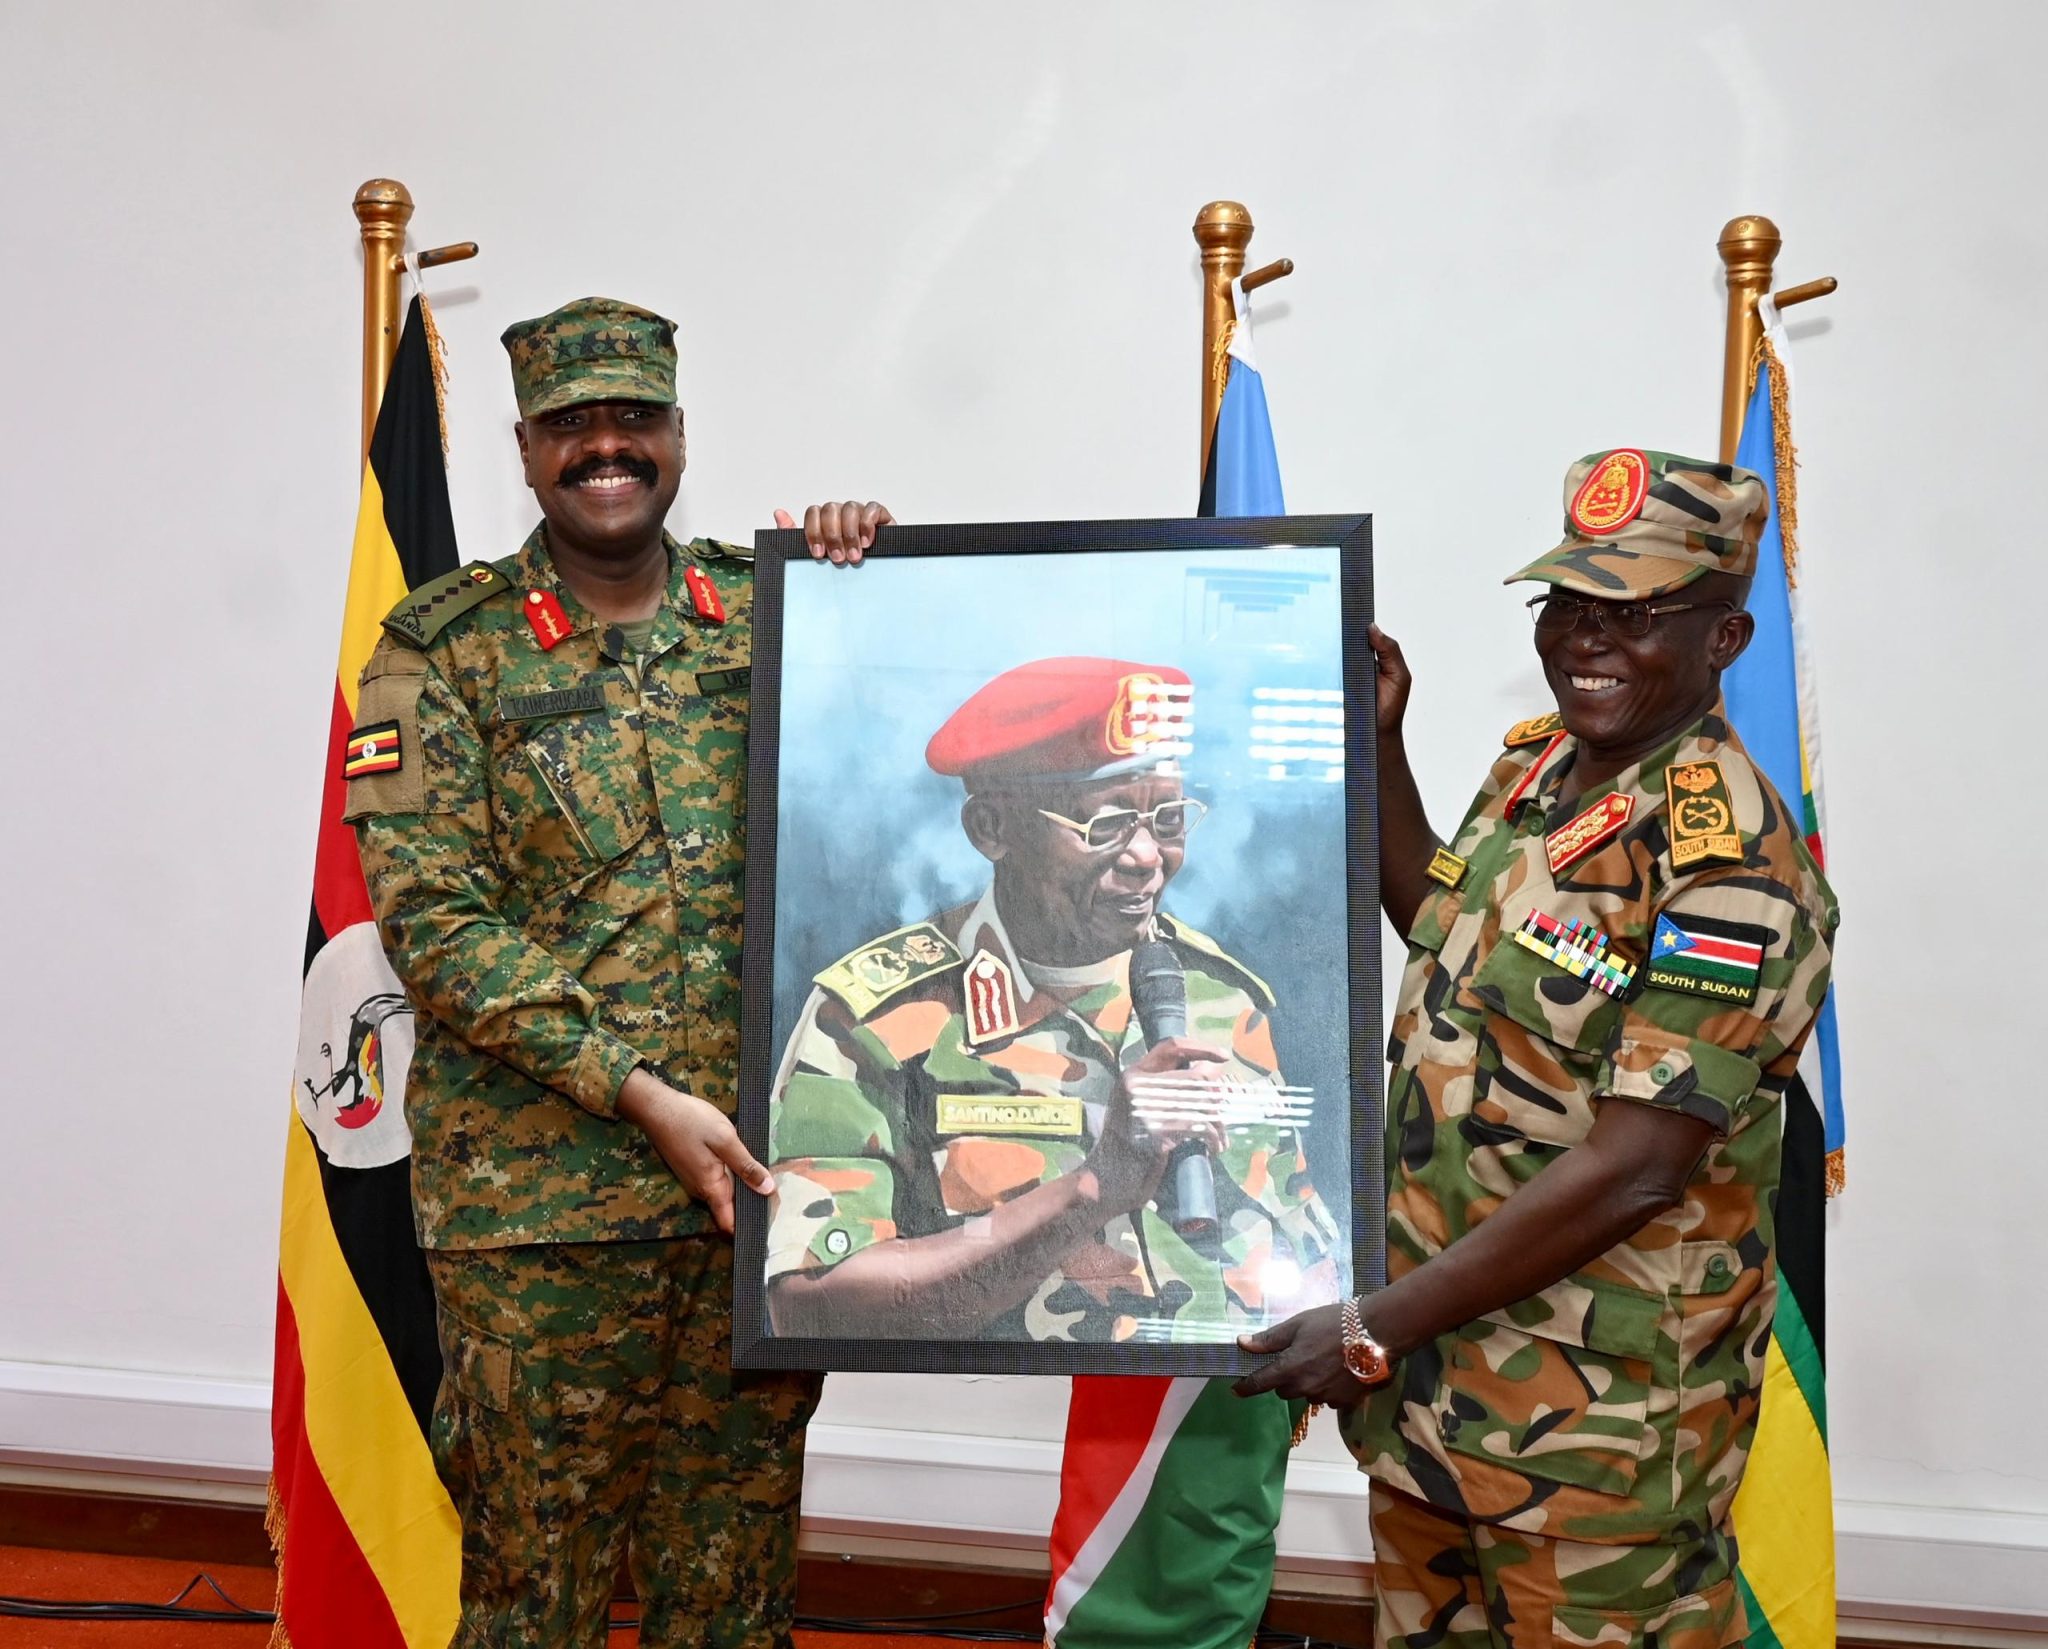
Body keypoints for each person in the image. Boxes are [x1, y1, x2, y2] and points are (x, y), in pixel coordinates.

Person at [342, 294, 890, 1649]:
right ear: (525, 450)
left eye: (634, 420)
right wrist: (642, 1091)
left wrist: (869, 575)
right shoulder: (435, 646)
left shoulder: (773, 615)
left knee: (735, 1593)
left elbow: (899, 804)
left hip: (759, 1201)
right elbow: (438, 924)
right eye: (573, 426)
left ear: (678, 436)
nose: (607, 448)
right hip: (541, 1224)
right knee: (540, 1598)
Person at [1234, 448, 1838, 1649]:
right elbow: (1439, 919)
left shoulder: (1727, 864)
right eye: (1566, 603)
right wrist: (1381, 744)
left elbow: (1637, 1165)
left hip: (1597, 1426)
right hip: (1437, 1384)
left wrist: (1369, 1325)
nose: (1584, 639)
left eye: (1634, 612)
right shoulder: (1543, 769)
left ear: (1723, 639)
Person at [764, 655, 1343, 1344]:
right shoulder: (877, 1019)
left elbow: (1304, 1255)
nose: (1145, 856)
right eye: (1105, 826)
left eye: (1167, 818)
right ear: (992, 829)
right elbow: (810, 1304)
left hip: (1200, 1431)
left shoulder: (1220, 997)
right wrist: (1091, 1189)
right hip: (1007, 1425)